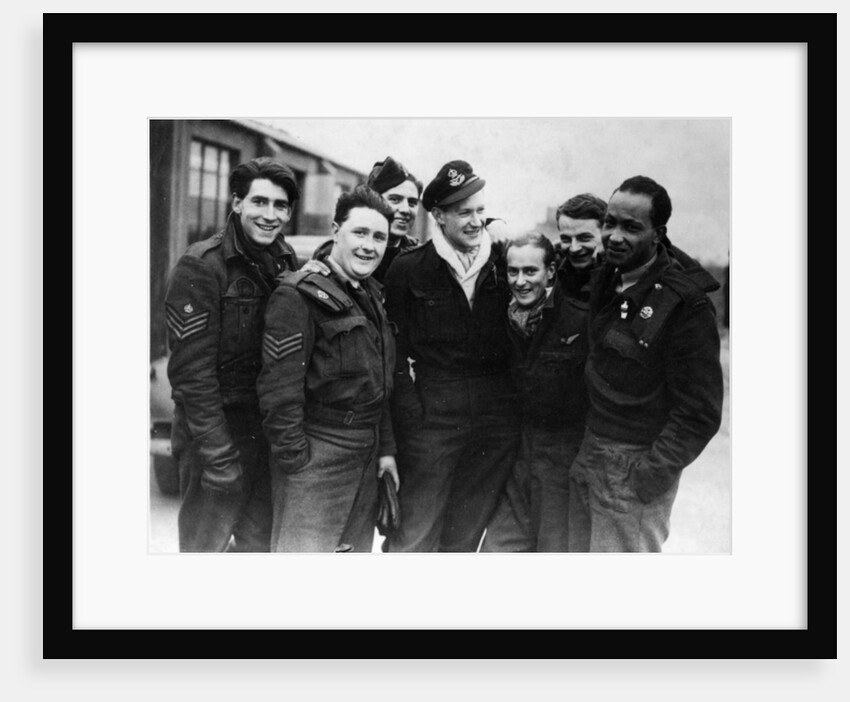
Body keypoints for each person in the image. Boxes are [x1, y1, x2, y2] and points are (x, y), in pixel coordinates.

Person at [568, 175, 724, 552]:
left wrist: (648, 478)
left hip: (635, 469)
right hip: (590, 454)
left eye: (632, 227)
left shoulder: (685, 306)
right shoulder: (608, 276)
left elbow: (700, 411)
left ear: (658, 234)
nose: (615, 236)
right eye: (610, 223)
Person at [164, 156, 300, 552]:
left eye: (280, 206)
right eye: (259, 202)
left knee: (259, 550)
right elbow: (192, 377)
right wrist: (218, 456)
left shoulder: (284, 257)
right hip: (216, 434)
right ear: (237, 203)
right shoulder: (201, 267)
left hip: (265, 434)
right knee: (205, 550)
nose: (269, 215)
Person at [383, 160, 520, 552]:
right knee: (414, 534)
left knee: (463, 539)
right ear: (438, 216)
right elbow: (393, 357)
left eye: (480, 210)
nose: (476, 221)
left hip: (494, 424)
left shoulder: (504, 263)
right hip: (433, 420)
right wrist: (413, 416)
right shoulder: (409, 270)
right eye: (464, 212)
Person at [257, 186, 399, 552]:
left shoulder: (370, 295)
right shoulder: (298, 295)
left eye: (379, 237)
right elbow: (279, 391)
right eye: (360, 233)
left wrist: (385, 451)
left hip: (365, 458)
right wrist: (298, 463)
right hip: (318, 458)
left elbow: (379, 383)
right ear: (336, 230)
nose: (370, 245)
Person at [479, 232, 590, 552]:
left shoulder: (577, 319)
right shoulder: (503, 318)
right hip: (516, 458)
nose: (521, 281)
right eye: (513, 271)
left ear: (551, 272)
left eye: (531, 271)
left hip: (561, 462)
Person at [313, 156, 422, 283]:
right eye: (395, 199)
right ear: (374, 201)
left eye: (412, 202)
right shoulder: (334, 253)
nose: (405, 209)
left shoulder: (421, 257)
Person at [554, 192, 606, 301]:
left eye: (584, 238)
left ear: (605, 234)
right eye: (566, 239)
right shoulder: (553, 269)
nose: (574, 248)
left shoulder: (620, 277)